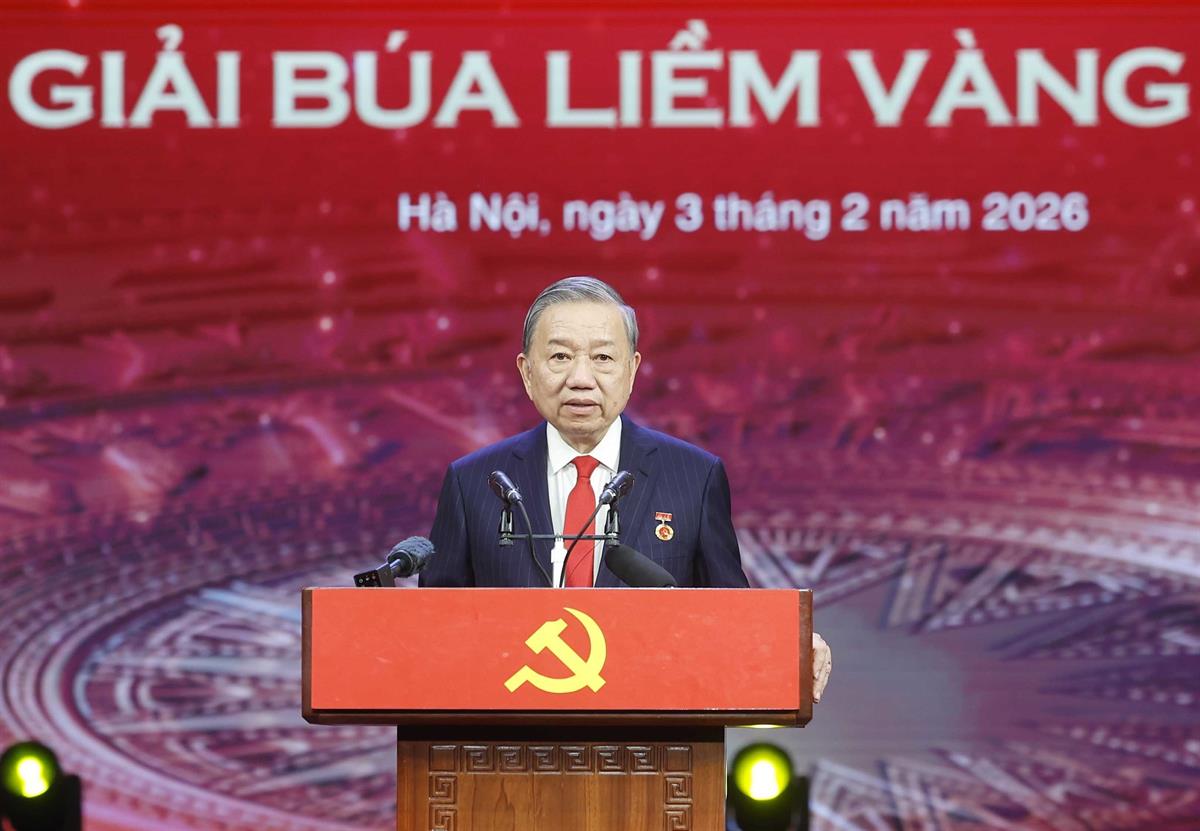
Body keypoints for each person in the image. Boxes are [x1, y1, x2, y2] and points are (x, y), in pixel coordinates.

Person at [419, 276, 831, 698]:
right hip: (509, 725)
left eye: (602, 358)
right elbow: (432, 632)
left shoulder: (694, 476)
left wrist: (786, 646)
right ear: (527, 372)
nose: (581, 379)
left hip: (654, 725)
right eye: (560, 356)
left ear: (632, 370)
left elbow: (729, 614)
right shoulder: (474, 482)